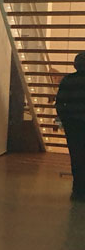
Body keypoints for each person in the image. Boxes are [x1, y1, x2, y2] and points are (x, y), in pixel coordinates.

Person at [56, 53, 85, 202]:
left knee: (77, 157)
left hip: (73, 125)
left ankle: (78, 190)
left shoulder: (68, 80)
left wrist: (65, 120)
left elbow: (60, 103)